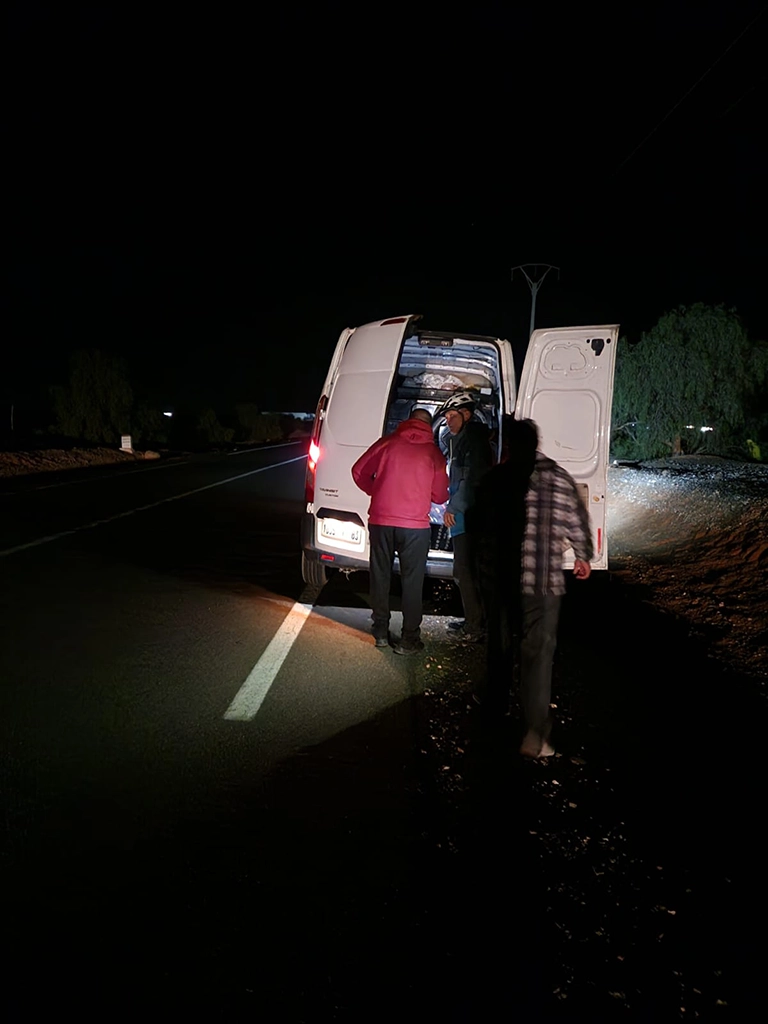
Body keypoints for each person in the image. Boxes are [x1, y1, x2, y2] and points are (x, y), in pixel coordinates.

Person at [511, 419, 594, 758]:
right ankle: (534, 733)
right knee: (539, 656)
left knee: (506, 649)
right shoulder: (560, 478)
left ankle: (497, 718)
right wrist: (583, 555)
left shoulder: (507, 476)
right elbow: (578, 519)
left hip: (509, 580)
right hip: (546, 584)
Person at [351, 408, 448, 656]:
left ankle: (381, 632)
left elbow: (358, 471)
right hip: (415, 527)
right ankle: (409, 640)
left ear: (408, 421)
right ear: (429, 426)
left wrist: (377, 490)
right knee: (412, 582)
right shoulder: (434, 453)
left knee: (380, 576)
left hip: (382, 521)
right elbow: (440, 496)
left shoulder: (387, 443)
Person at [439, 392, 493, 642]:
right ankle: (474, 619)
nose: (448, 420)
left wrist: (454, 508)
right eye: (447, 416)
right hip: (466, 516)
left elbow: (472, 480)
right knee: (465, 570)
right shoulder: (461, 440)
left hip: (469, 517)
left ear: (467, 415)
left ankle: (476, 625)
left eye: (452, 415)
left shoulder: (473, 441)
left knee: (464, 570)